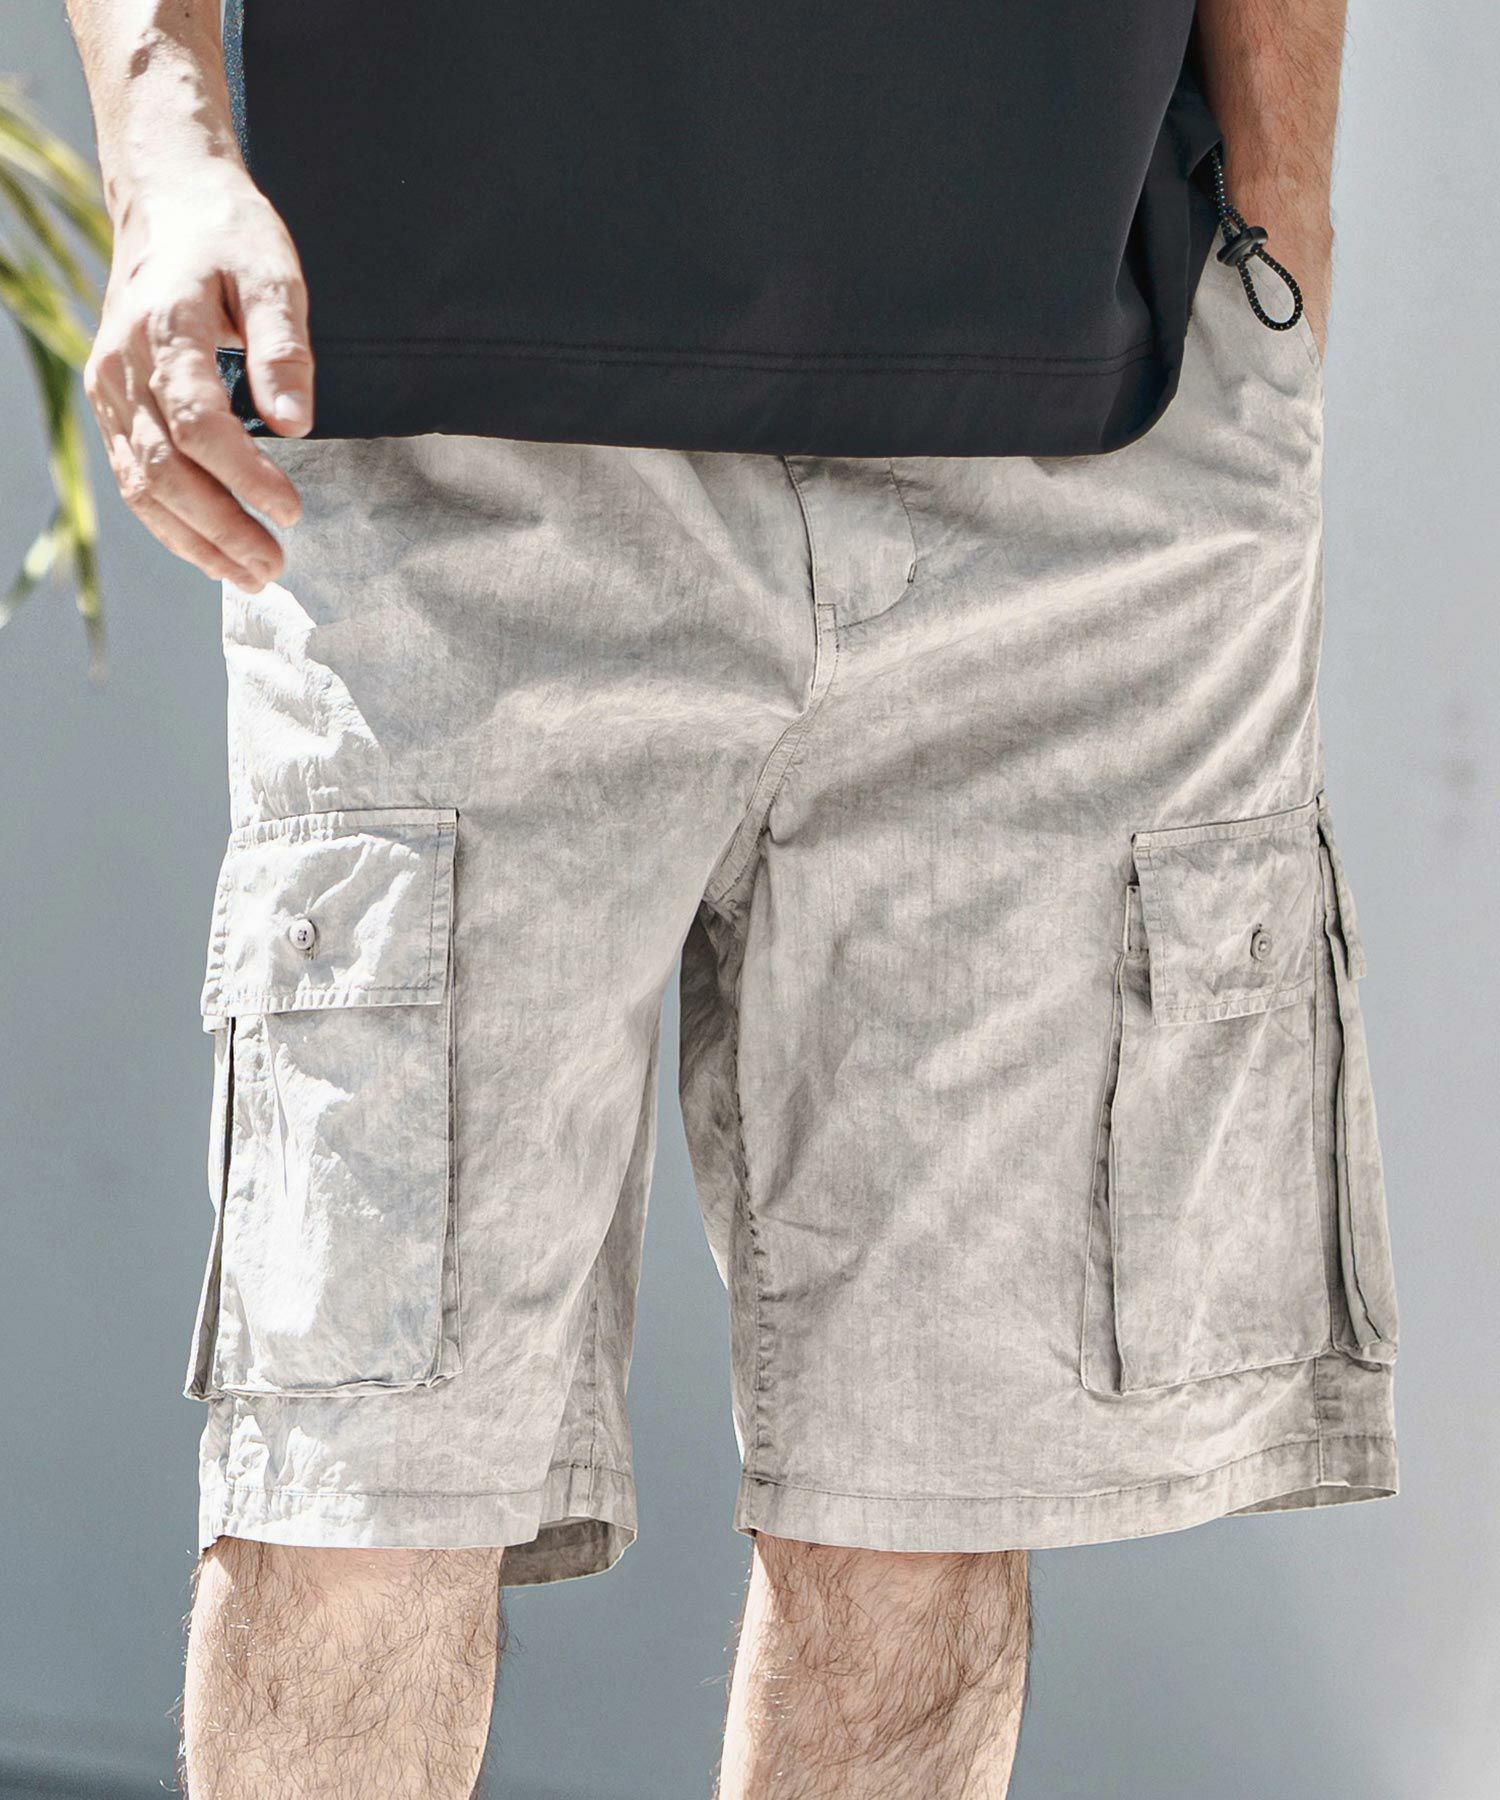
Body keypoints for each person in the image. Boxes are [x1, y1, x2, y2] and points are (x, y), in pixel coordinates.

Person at [65, 0, 1400, 1793]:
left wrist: (1279, 250)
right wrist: (164, 151)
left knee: (929, 1506)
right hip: (447, 418)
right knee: (360, 1485)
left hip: (1074, 421)